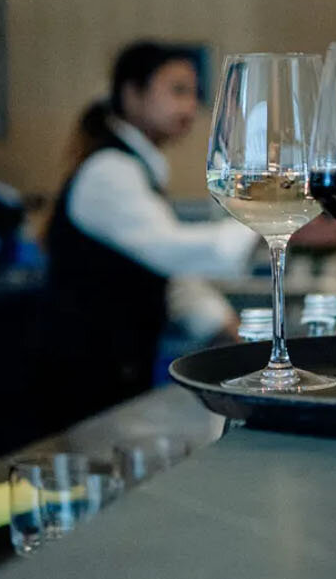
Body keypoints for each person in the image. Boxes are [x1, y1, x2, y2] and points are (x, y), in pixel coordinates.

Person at [41, 40, 254, 424]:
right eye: (177, 91)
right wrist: (262, 226)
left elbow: (169, 276)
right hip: (84, 372)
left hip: (117, 367)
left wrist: (222, 324)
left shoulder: (135, 167)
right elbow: (168, 250)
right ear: (132, 94)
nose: (190, 107)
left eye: (194, 94)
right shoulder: (109, 170)